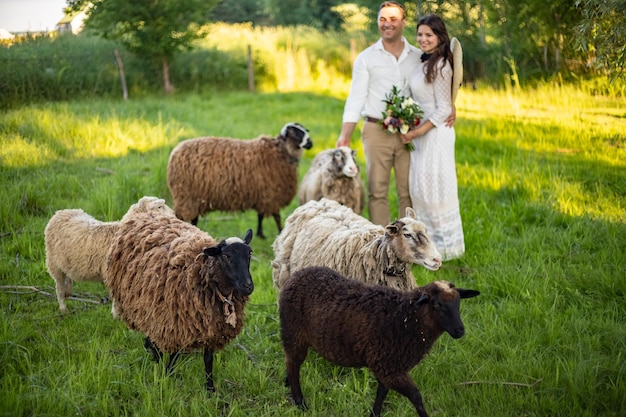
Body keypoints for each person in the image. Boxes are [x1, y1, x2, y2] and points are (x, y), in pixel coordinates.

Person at [336, 1, 419, 226]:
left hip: (409, 133)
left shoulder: (418, 57)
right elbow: (356, 98)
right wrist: (345, 134)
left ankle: (408, 243)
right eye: (382, 20)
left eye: (393, 19)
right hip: (375, 130)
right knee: (377, 190)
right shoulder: (366, 58)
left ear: (404, 22)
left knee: (408, 191)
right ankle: (382, 245)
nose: (387, 24)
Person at [400, 14, 465, 260]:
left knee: (434, 190)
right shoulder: (422, 61)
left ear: (440, 37)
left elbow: (444, 108)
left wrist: (418, 130)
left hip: (435, 134)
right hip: (420, 134)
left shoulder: (441, 65)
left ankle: (445, 249)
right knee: (420, 190)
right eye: (420, 34)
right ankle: (424, 248)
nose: (423, 39)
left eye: (429, 35)